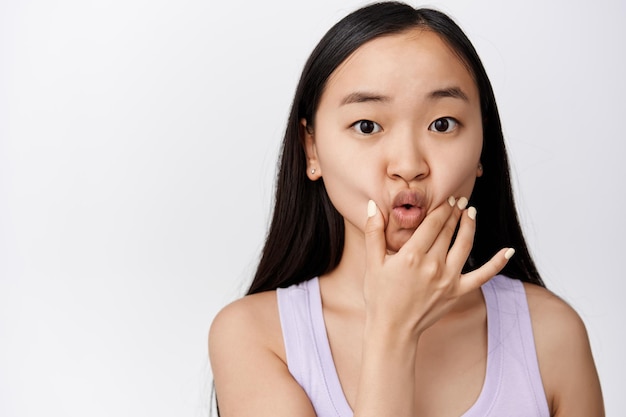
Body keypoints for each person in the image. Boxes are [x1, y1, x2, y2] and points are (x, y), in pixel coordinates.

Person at [208, 2, 604, 416]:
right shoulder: (257, 336)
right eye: (367, 126)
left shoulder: (552, 335)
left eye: (443, 124)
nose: (409, 166)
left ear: (482, 144)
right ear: (312, 148)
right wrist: (392, 332)